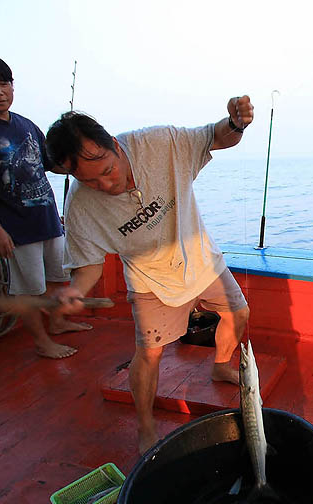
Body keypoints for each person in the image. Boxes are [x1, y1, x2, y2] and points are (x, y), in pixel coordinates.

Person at [46, 99, 254, 452]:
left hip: (201, 260)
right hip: (150, 281)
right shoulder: (80, 205)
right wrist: (75, 290)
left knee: (239, 313)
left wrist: (235, 123)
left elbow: (215, 138)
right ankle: (145, 427)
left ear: (114, 143)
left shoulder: (161, 143)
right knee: (150, 355)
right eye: (90, 182)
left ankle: (220, 366)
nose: (106, 185)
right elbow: (88, 266)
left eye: (108, 170)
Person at [0, 50, 89, 359]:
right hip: (14, 228)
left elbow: (51, 164)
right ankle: (42, 342)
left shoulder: (24, 124)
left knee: (57, 278)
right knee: (29, 290)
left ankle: (57, 322)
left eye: (4, 82)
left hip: (49, 220)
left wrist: (83, 162)